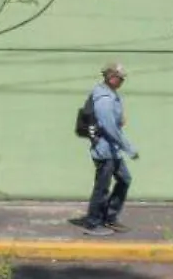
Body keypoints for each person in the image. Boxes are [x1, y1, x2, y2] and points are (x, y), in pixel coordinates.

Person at [72, 62, 138, 234]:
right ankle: (93, 223)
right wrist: (128, 148)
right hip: (104, 150)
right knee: (102, 187)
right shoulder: (104, 98)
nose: (122, 81)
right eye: (120, 78)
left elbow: (114, 122)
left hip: (112, 150)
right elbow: (109, 127)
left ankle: (109, 217)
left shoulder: (111, 94)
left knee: (124, 179)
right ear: (111, 77)